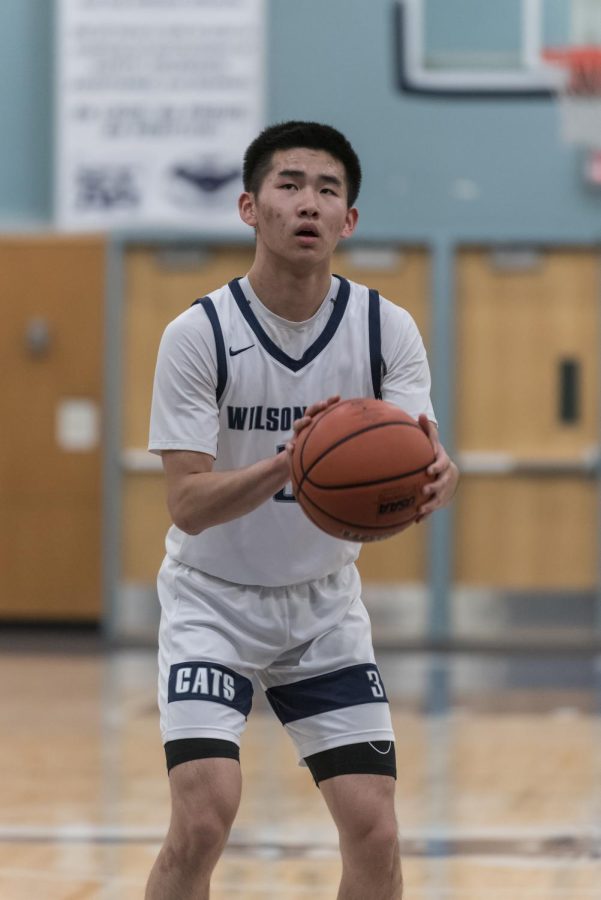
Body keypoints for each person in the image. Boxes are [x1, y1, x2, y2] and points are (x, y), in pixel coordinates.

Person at [145, 120, 459, 900]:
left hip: (322, 610)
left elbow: (415, 452)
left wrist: (434, 475)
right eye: (289, 186)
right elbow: (186, 504)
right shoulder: (198, 334)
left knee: (374, 827)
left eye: (328, 190)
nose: (308, 203)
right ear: (250, 208)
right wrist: (292, 461)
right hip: (211, 605)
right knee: (203, 820)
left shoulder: (386, 329)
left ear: (349, 220)